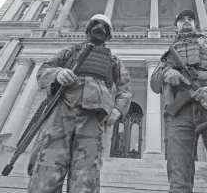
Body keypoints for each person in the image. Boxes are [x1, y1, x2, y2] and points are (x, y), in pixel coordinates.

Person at [27, 14, 132, 193]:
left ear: (108, 35)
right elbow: (43, 70)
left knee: (86, 175)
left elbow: (125, 89)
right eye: (95, 24)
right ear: (88, 29)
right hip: (60, 115)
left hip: (93, 118)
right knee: (47, 170)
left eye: (104, 27)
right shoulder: (69, 52)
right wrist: (57, 73)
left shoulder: (114, 62)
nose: (99, 28)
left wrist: (117, 110)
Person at [150, 10, 207, 193]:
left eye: (190, 19)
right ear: (176, 26)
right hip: (179, 113)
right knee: (178, 177)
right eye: (182, 19)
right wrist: (167, 73)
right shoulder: (168, 54)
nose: (187, 22)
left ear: (195, 24)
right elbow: (154, 83)